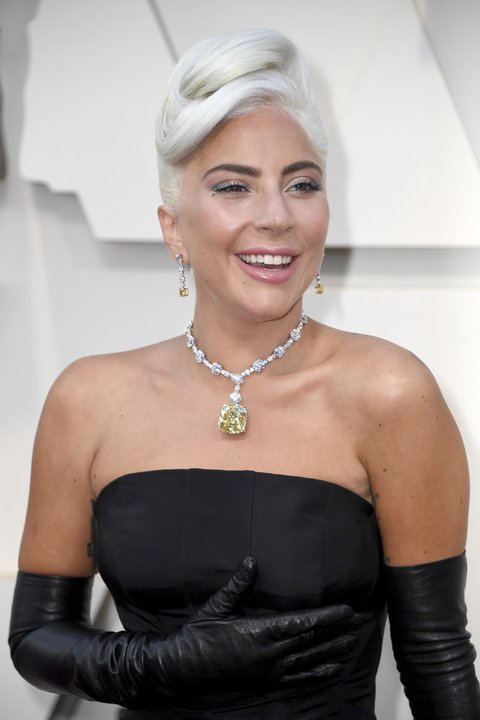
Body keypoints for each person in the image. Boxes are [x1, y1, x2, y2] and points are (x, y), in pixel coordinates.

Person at [8, 27, 480, 720]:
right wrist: (160, 664)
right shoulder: (88, 399)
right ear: (173, 227)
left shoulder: (391, 393)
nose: (277, 217)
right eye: (235, 186)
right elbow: (35, 639)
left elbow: (438, 663)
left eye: (302, 184)